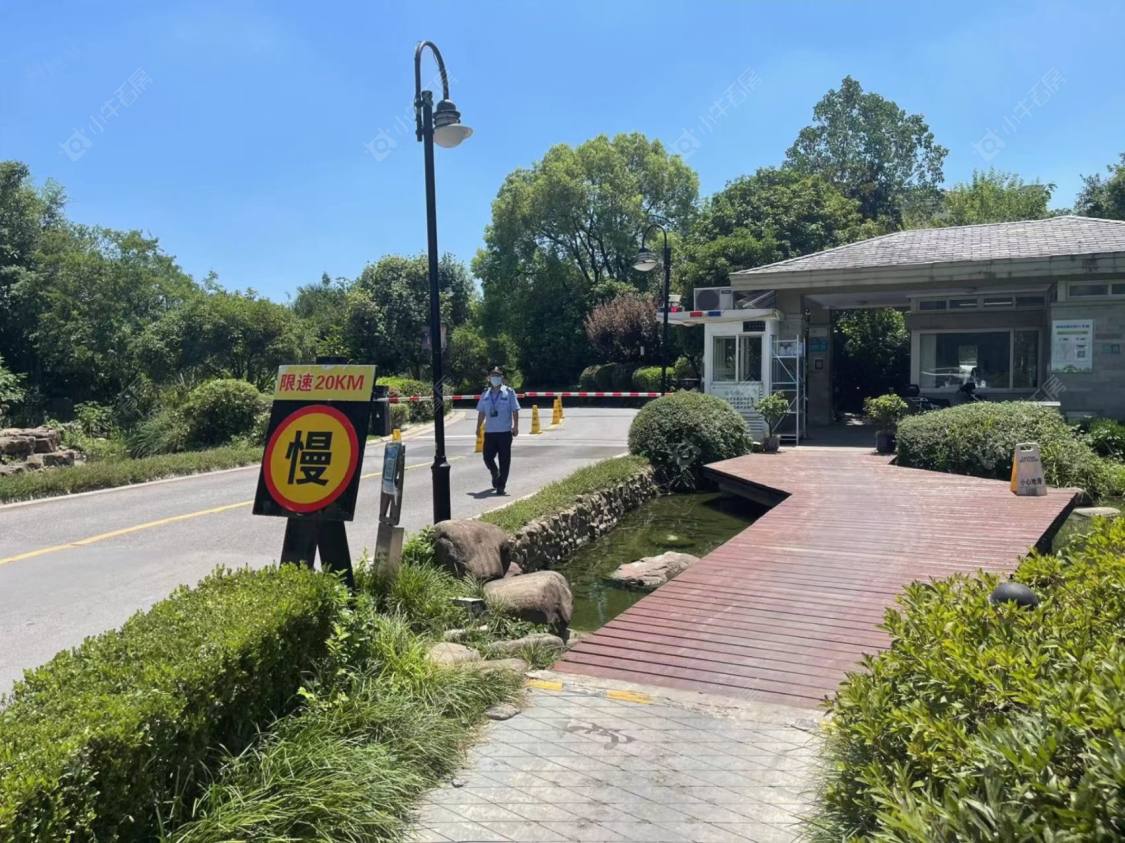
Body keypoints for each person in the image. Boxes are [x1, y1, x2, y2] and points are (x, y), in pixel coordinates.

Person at [475, 367, 519, 494]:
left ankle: (501, 486)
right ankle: (495, 472)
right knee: (487, 457)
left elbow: (515, 410)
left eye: (497, 375)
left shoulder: (509, 392)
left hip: (504, 432)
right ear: (489, 378)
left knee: (504, 460)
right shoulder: (485, 394)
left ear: (502, 378)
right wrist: (478, 427)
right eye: (493, 375)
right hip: (490, 432)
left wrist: (515, 426)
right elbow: (481, 412)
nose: (495, 378)